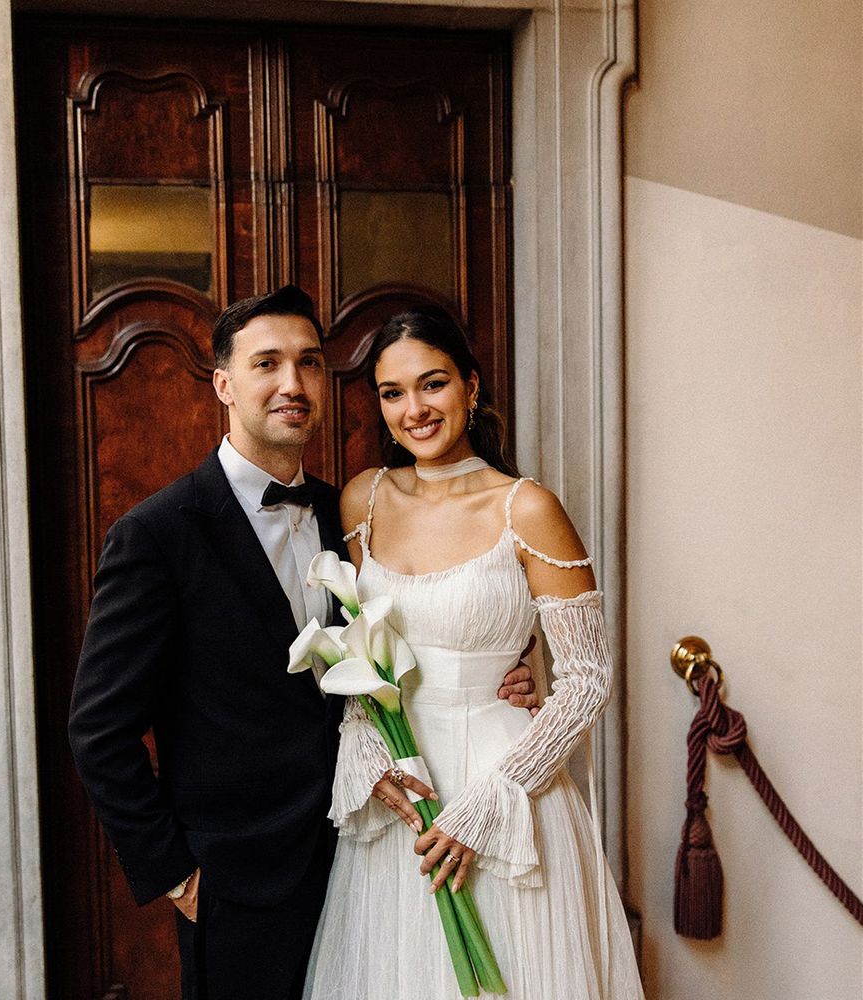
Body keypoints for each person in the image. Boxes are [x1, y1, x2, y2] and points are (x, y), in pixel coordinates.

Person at [68, 285, 540, 1000]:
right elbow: (98, 731)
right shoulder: (157, 535)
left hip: (367, 855)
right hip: (239, 883)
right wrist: (177, 875)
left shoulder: (348, 508)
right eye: (268, 364)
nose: (293, 384)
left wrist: (516, 666)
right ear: (224, 383)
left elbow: (413, 632)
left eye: (311, 363)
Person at [303, 308, 645, 999]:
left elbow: (587, 678)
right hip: (401, 793)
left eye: (432, 384)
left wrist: (495, 797)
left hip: (505, 786)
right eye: (393, 392)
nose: (414, 410)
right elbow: (365, 651)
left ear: (472, 387)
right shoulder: (361, 500)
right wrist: (364, 737)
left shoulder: (527, 507)